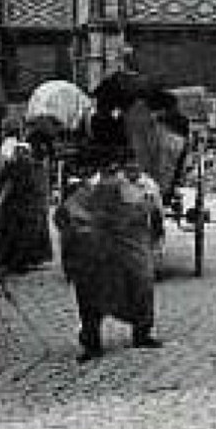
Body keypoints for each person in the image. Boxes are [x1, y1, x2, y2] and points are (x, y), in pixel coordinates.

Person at [55, 151, 165, 362]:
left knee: (140, 286)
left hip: (120, 254)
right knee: (90, 299)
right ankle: (92, 341)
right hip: (94, 257)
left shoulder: (140, 190)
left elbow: (144, 216)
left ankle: (139, 334)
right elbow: (65, 217)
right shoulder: (89, 192)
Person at [0, 137, 54, 275]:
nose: (21, 155)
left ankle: (10, 259)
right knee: (20, 234)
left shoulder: (16, 164)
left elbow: (0, 183)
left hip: (18, 204)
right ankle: (17, 261)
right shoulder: (35, 166)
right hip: (24, 205)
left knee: (13, 233)